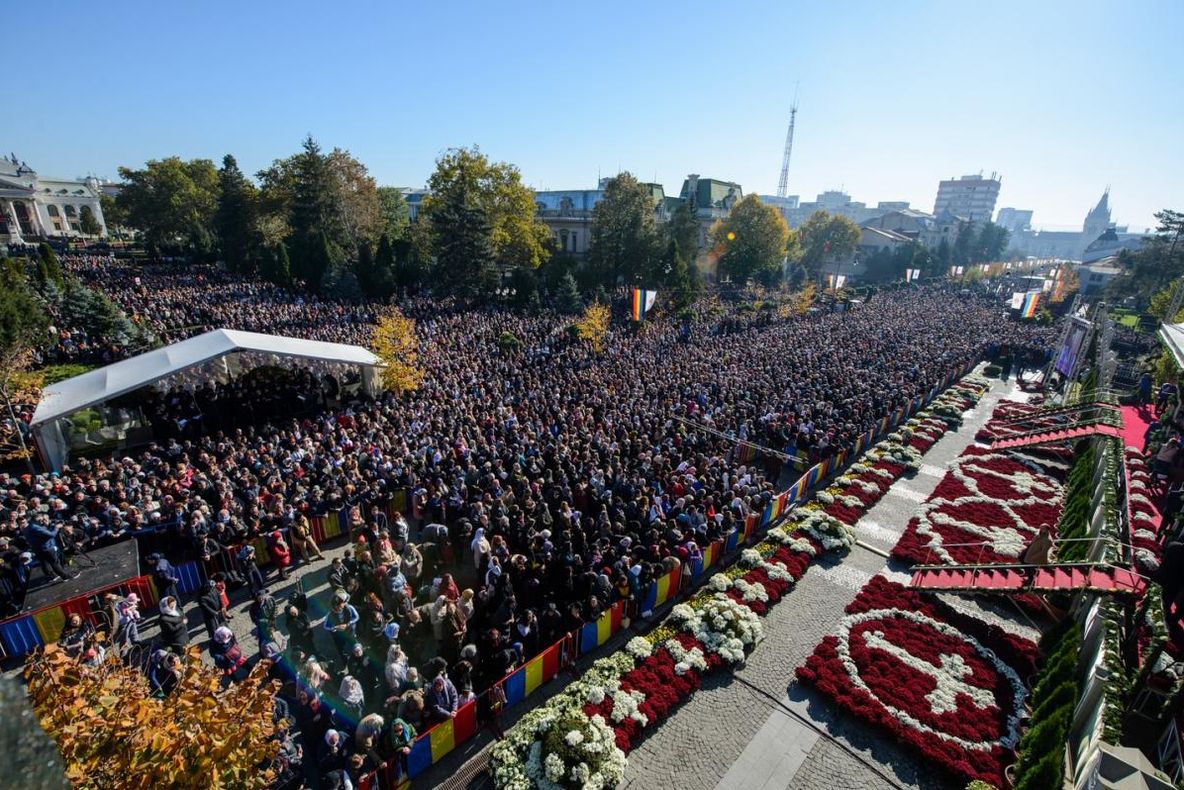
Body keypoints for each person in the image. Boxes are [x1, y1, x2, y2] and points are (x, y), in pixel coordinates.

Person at [23, 518, 75, 583]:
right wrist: (56, 528)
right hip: (47, 548)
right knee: (55, 563)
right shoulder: (35, 528)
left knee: (45, 563)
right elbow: (51, 535)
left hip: (37, 549)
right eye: (41, 520)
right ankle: (65, 577)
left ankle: (52, 576)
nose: (42, 522)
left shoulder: (26, 529)